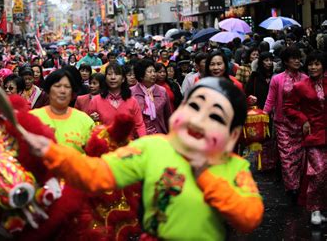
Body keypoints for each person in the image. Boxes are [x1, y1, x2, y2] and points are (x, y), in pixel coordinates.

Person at [20, 77, 264, 240]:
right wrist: (51, 152)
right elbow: (96, 174)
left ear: (232, 135)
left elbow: (249, 217)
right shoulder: (152, 147)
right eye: (195, 107)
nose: (198, 121)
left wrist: (207, 179)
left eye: (216, 117)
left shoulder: (234, 166)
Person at [284, 51, 327, 225]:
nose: (313, 67)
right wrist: (303, 120)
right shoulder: (300, 86)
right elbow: (288, 107)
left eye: (317, 64)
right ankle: (315, 209)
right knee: (319, 172)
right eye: (310, 64)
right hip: (314, 135)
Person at [264, 46, 307, 198]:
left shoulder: (305, 78)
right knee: (286, 156)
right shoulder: (277, 79)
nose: (297, 61)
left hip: (301, 124)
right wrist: (263, 116)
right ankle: (292, 187)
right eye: (293, 58)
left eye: (298, 58)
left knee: (299, 156)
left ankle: (298, 183)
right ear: (286, 61)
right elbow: (270, 100)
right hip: (282, 123)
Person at [31, 69, 94, 152]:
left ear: (72, 92)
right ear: (48, 90)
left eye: (67, 87)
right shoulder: (33, 118)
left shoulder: (85, 121)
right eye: (57, 86)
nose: (62, 91)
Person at [88, 64, 146, 137]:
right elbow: (89, 127)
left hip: (127, 145)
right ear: (105, 78)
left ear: (123, 79)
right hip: (105, 145)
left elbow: (139, 125)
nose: (113, 77)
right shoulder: (95, 101)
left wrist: (143, 143)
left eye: (117, 74)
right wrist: (91, 119)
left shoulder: (132, 101)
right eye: (109, 74)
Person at [131, 59, 172, 135]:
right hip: (137, 136)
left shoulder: (162, 91)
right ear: (141, 75)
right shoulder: (131, 92)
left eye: (154, 71)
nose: (153, 74)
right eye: (150, 72)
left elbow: (168, 115)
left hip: (159, 134)